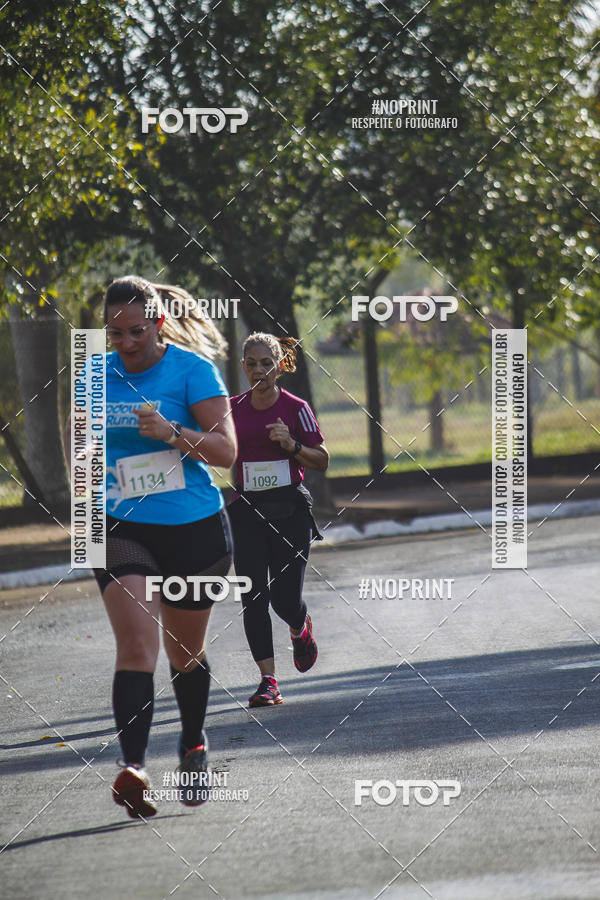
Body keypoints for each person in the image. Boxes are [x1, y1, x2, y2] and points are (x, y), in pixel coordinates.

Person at [64, 276, 237, 818]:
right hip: (121, 527)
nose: (125, 342)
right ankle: (134, 767)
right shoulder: (93, 374)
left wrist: (171, 433)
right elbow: (79, 450)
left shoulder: (192, 371)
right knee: (136, 646)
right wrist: (83, 505)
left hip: (194, 525)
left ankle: (192, 743)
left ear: (158, 324)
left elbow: (227, 452)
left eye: (136, 331)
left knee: (184, 652)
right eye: (114, 333)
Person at [228, 332, 329, 708]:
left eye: (266, 363)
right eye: (251, 364)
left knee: (284, 601)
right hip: (246, 510)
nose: (259, 370)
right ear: (243, 367)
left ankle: (300, 627)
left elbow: (322, 459)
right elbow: (217, 450)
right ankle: (268, 681)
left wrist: (293, 446)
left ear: (280, 366)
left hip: (289, 511)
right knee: (253, 596)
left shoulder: (295, 407)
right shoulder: (232, 409)